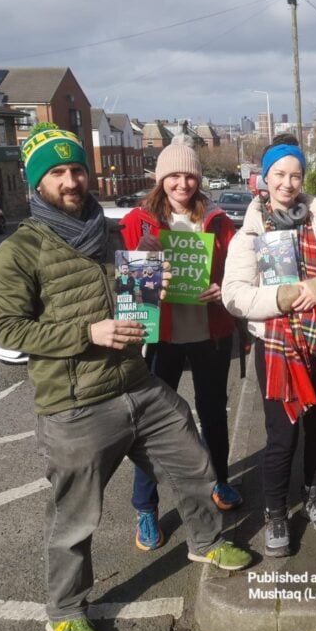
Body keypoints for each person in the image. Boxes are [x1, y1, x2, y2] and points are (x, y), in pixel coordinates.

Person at [0, 123, 249, 631]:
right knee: (76, 518)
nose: (71, 180)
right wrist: (89, 331)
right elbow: (7, 335)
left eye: (77, 169)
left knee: (192, 458)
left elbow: (137, 298)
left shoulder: (111, 234)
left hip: (136, 382)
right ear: (37, 183)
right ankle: (64, 611)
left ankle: (204, 539)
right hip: (75, 403)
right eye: (58, 173)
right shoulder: (19, 251)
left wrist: (159, 284)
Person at [222, 142, 316, 557]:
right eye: (279, 175)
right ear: (265, 179)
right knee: (282, 434)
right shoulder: (249, 233)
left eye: (295, 175)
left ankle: (315, 491)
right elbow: (234, 296)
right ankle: (276, 511)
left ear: (303, 178)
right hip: (277, 346)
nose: (287, 183)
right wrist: (280, 298)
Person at [118, 139, 243, 554]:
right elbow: (130, 291)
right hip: (161, 337)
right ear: (161, 179)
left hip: (210, 332)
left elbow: (238, 275)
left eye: (189, 174)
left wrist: (222, 289)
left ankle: (219, 481)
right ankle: (146, 508)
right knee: (150, 424)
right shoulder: (140, 221)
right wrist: (141, 257)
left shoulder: (218, 219)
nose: (182, 182)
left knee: (213, 414)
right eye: (173, 175)